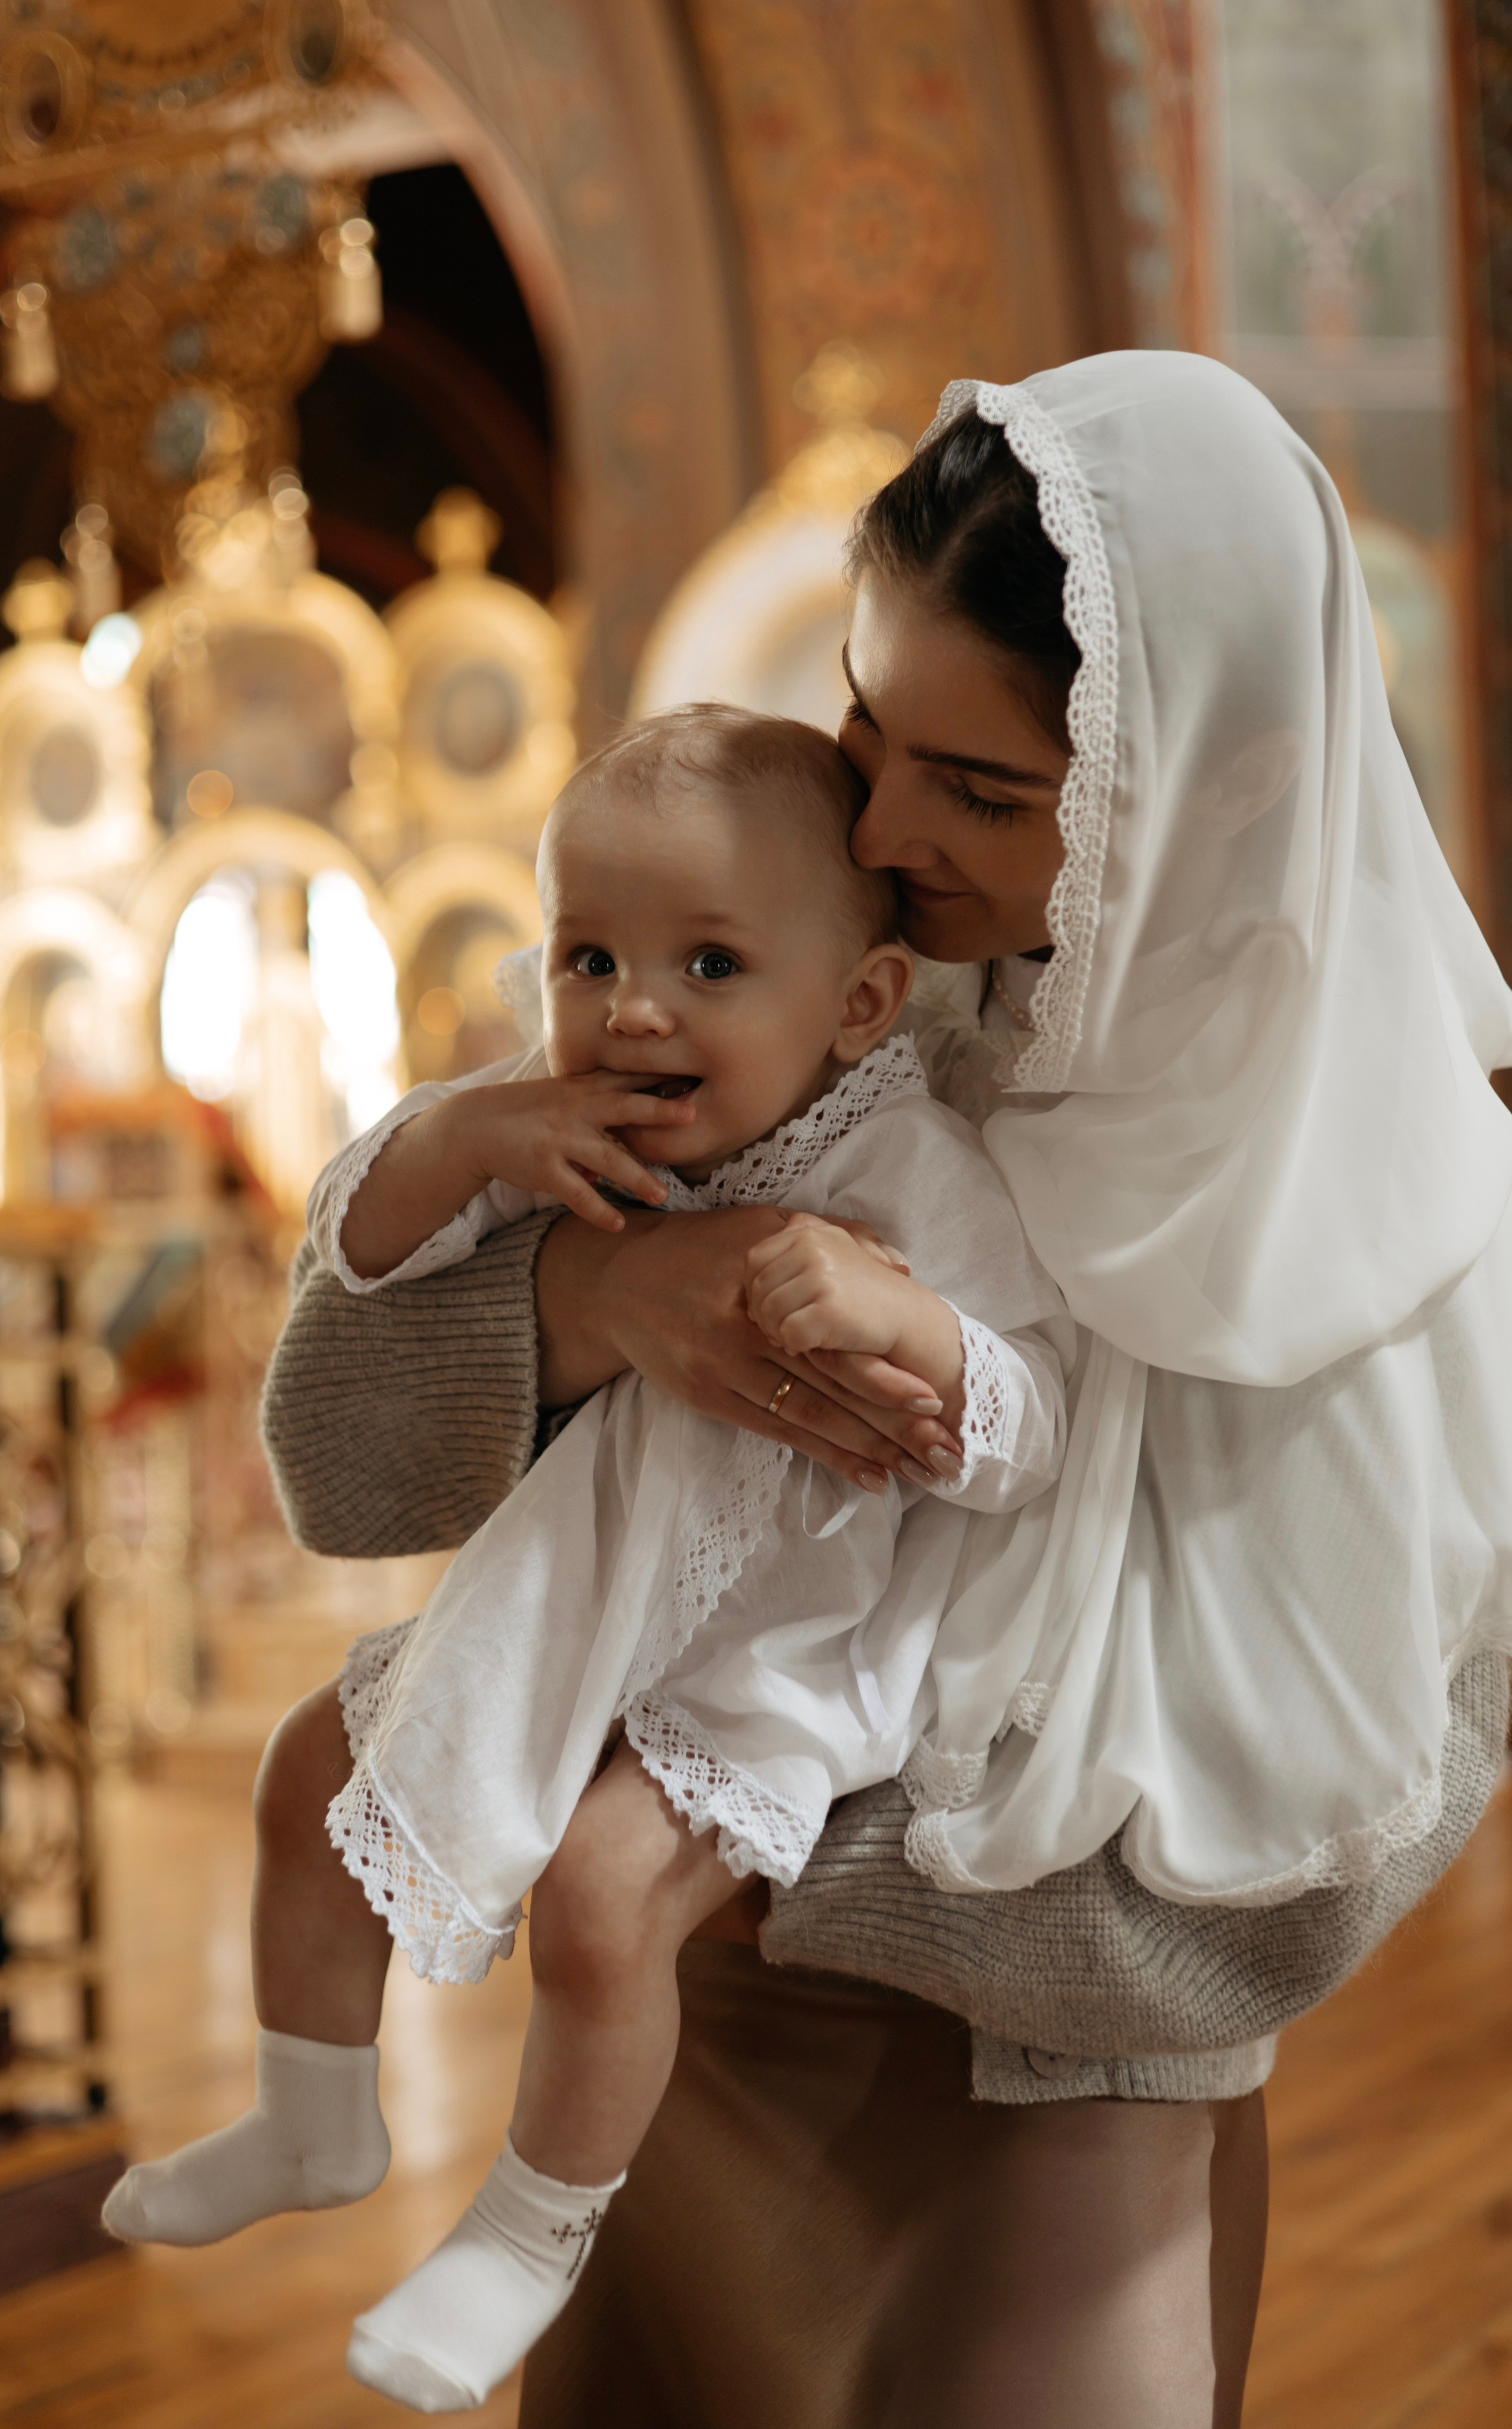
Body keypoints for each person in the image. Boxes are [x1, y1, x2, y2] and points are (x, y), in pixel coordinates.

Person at [256, 351, 1512, 2427]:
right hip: (670, 2068)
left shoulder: (1413, 1218)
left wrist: (674, 1823)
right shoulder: (832, 991)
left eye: (987, 793)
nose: (886, 825)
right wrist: (604, 1289)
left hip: (1046, 2130)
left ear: (1227, 775)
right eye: (867, 729)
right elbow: (339, 1459)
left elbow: (1280, 1898)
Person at [102, 705, 1075, 2414]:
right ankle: (310, 2116)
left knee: (606, 1897)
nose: (635, 1007)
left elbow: (1036, 1426)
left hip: (795, 1651)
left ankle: (531, 2234)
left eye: (709, 961)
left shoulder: (912, 1163)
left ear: (856, 1003)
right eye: (588, 955)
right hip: (578, 1603)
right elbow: (366, 1252)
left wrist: (911, 1321)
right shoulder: (586, 1123)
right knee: (303, 1770)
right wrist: (470, 1140)